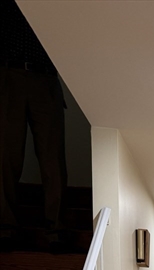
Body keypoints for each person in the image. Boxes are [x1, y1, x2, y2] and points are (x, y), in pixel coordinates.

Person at [0, 0, 68, 251]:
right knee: (6, 155)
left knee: (53, 158)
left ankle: (57, 229)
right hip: (8, 74)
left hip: (46, 77)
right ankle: (6, 227)